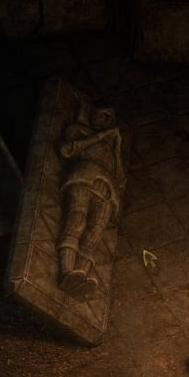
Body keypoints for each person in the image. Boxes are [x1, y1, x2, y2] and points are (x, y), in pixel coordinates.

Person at [56, 99, 124, 299]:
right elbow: (67, 150)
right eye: (103, 115)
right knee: (77, 220)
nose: (107, 120)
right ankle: (66, 271)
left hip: (106, 190)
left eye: (110, 118)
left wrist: (117, 147)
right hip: (84, 177)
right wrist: (101, 136)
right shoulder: (79, 130)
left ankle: (79, 277)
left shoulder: (111, 147)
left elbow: (119, 179)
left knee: (95, 233)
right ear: (93, 115)